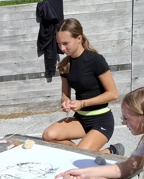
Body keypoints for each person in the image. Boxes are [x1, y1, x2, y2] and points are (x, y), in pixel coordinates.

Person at [41, 18, 123, 154]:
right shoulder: (65, 65)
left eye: (65, 43)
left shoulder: (96, 60)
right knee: (48, 136)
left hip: (101, 120)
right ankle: (99, 153)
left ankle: (111, 152)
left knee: (80, 156)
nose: (62, 48)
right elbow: (65, 95)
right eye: (59, 44)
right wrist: (65, 102)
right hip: (80, 119)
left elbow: (113, 94)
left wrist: (83, 103)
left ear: (79, 38)